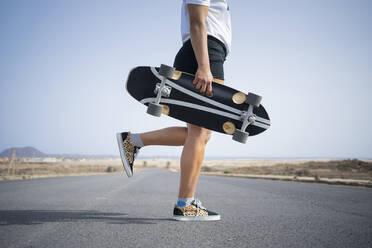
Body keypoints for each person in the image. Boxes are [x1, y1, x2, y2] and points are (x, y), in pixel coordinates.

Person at [116, 0, 231, 221]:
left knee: (202, 133)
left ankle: (134, 141)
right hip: (205, 51)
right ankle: (185, 205)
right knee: (200, 133)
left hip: (207, 51)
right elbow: (197, 22)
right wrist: (204, 66)